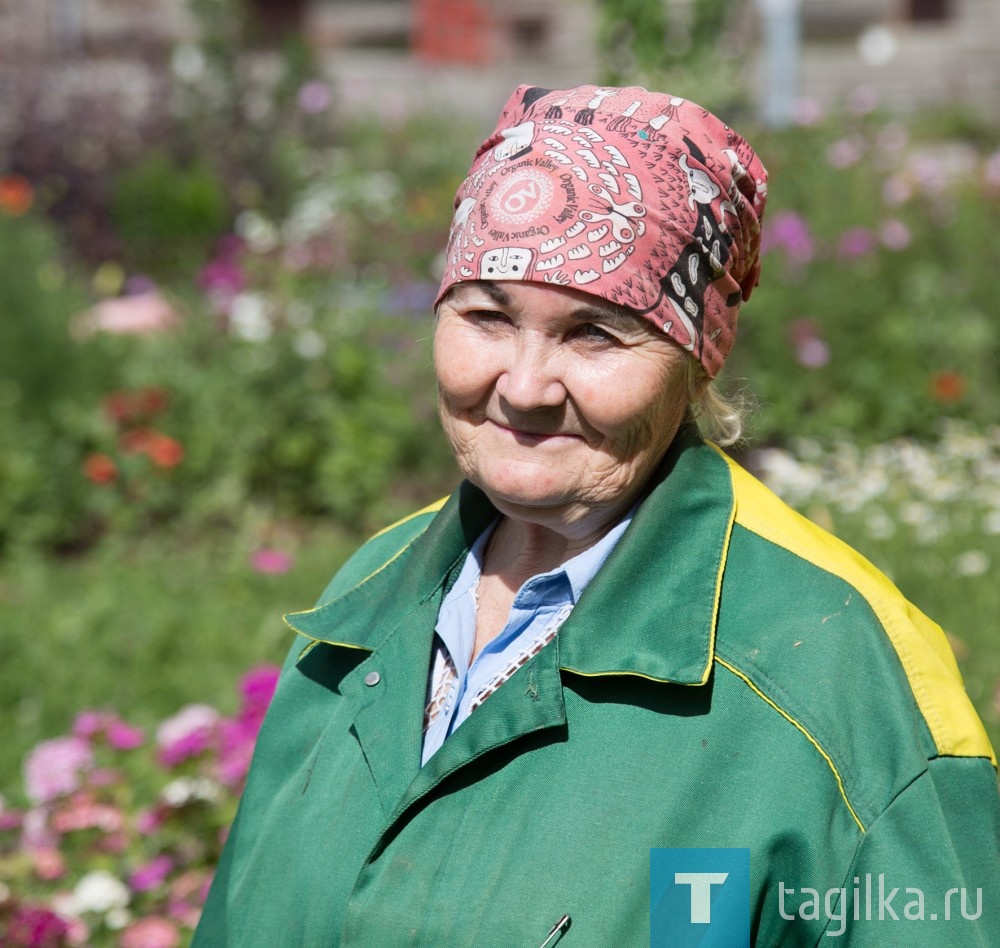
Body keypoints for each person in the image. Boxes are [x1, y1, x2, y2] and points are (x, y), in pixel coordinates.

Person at [194, 85, 998, 946]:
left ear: (695, 357)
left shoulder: (839, 674)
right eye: (486, 316)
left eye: (595, 335)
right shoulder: (374, 594)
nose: (526, 388)